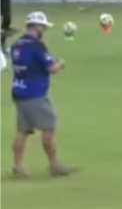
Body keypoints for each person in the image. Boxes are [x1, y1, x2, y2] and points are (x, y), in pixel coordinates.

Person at [9, 12, 76, 178]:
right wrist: (61, 64)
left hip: (19, 91)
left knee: (23, 131)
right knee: (49, 127)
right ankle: (54, 165)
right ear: (37, 26)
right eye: (43, 27)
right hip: (35, 94)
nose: (44, 30)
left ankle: (18, 166)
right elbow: (52, 68)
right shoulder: (36, 46)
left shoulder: (16, 44)